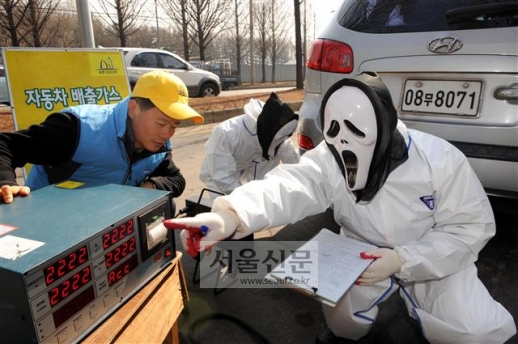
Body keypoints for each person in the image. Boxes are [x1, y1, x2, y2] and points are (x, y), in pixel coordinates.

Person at [164, 72, 516, 343]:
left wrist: (404, 260)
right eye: (335, 132)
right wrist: (230, 215)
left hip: (432, 254)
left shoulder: (440, 160)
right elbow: (291, 185)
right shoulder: (330, 157)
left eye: (354, 130)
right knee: (344, 319)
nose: (343, 143)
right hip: (357, 252)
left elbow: (472, 227)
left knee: (476, 331)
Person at [0, 70, 203, 206]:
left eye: (174, 125)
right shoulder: (78, 128)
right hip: (49, 219)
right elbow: (5, 144)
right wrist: (5, 182)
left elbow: (176, 180)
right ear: (133, 109)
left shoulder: (158, 147)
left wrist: (150, 186)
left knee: (167, 205)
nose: (167, 134)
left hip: (104, 224)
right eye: (161, 123)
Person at [199, 92, 299, 196]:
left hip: (249, 165)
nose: (282, 142)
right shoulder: (226, 134)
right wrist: (247, 199)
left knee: (263, 192)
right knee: (226, 206)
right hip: (218, 174)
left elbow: (293, 159)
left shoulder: (276, 132)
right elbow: (224, 178)